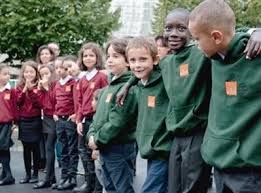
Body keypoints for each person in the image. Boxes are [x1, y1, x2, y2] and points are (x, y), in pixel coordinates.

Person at [188, 0, 261, 192]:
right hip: (220, 164)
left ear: (216, 37)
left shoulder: (255, 55)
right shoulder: (213, 57)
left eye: (197, 39)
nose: (195, 45)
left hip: (249, 172)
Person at [87, 38, 137, 193]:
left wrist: (97, 139)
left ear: (128, 61)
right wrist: (91, 135)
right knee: (109, 187)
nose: (109, 60)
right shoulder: (108, 88)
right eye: (108, 56)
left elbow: (117, 121)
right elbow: (97, 118)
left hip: (119, 148)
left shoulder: (127, 88)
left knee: (122, 188)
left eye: (115, 56)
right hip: (105, 147)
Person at [128, 37, 172, 193]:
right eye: (133, 60)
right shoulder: (139, 85)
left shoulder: (164, 80)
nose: (137, 65)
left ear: (155, 60)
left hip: (163, 149)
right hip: (149, 148)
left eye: (143, 59)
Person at [73, 43, 108, 193]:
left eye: (91, 55)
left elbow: (105, 99)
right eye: (85, 55)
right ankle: (89, 182)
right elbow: (79, 101)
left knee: (96, 153)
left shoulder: (101, 77)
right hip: (85, 120)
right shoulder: (82, 79)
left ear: (97, 57)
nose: (88, 58)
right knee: (83, 152)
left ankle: (98, 186)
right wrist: (79, 120)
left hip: (96, 120)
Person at [53, 56, 78, 190]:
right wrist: (55, 113)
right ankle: (64, 177)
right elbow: (54, 100)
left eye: (62, 68)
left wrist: (75, 114)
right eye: (57, 68)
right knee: (62, 150)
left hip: (69, 120)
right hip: (59, 120)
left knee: (72, 149)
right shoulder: (57, 84)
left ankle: (72, 177)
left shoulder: (73, 82)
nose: (59, 71)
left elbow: (76, 100)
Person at [16, 60, 42, 184]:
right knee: (26, 148)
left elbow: (39, 103)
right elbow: (17, 102)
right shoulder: (19, 86)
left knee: (35, 148)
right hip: (23, 120)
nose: (29, 74)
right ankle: (27, 174)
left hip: (35, 119)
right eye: (26, 72)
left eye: (31, 72)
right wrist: (25, 89)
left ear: (36, 73)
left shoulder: (39, 85)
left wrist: (31, 90)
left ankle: (35, 174)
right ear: (23, 73)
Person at [33, 64, 57, 189]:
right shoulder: (43, 88)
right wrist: (40, 90)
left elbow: (53, 103)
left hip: (54, 118)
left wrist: (47, 88)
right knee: (48, 149)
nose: (44, 77)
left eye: (46, 73)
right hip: (46, 119)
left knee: (49, 148)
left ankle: (48, 178)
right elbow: (41, 104)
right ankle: (51, 178)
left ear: (52, 73)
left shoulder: (56, 85)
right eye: (42, 75)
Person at [0, 63, 17, 186]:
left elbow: (15, 107)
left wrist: (16, 122)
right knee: (3, 148)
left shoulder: (11, 91)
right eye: (5, 74)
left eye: (8, 74)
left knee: (3, 147)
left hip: (6, 124)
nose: (8, 76)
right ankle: (6, 174)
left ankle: (9, 175)